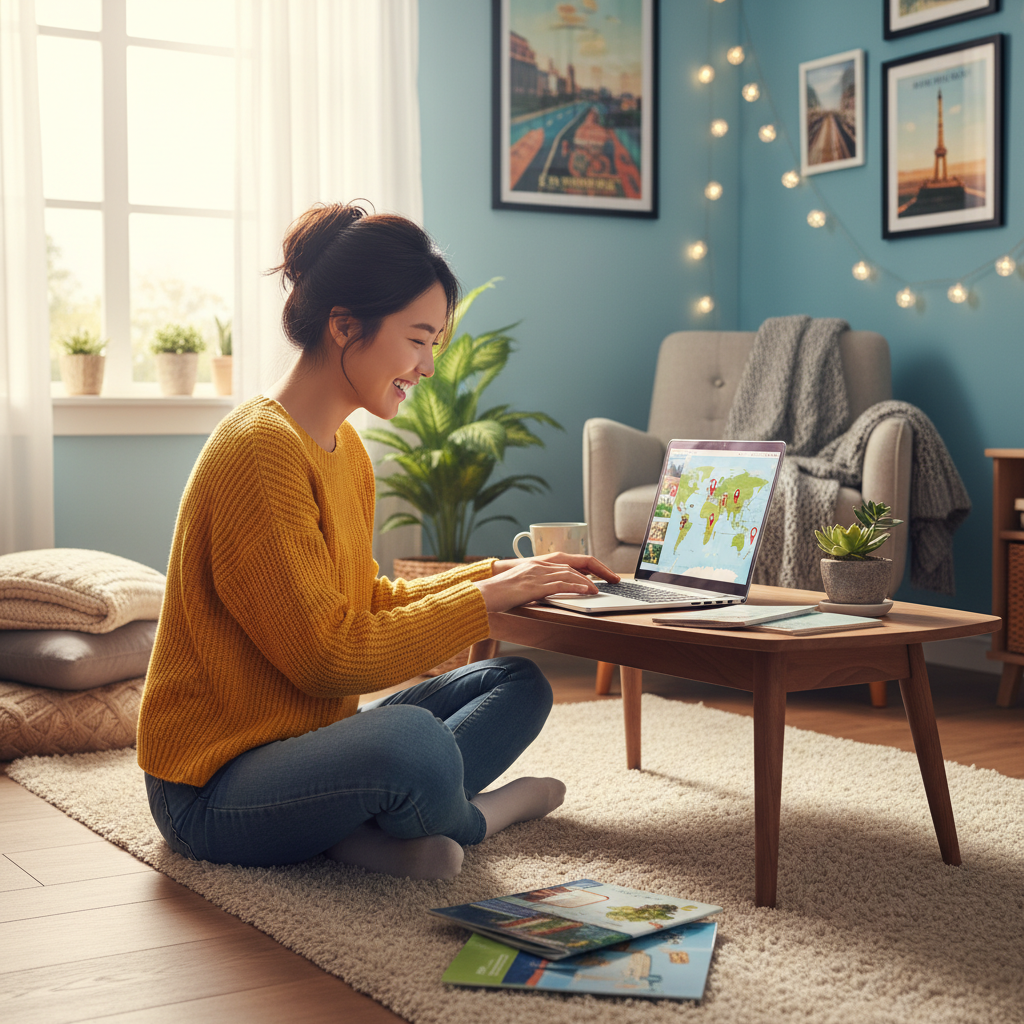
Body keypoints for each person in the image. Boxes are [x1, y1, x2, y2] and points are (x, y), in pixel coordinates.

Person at [136, 202, 620, 881]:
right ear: (344, 326)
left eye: (435, 345)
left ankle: (357, 831)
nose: (427, 366)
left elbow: (366, 599)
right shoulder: (259, 451)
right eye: (418, 339)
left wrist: (511, 575)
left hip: (310, 745)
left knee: (517, 683)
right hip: (212, 788)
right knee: (412, 743)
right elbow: (327, 658)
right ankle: (476, 816)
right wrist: (485, 601)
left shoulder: (347, 448)